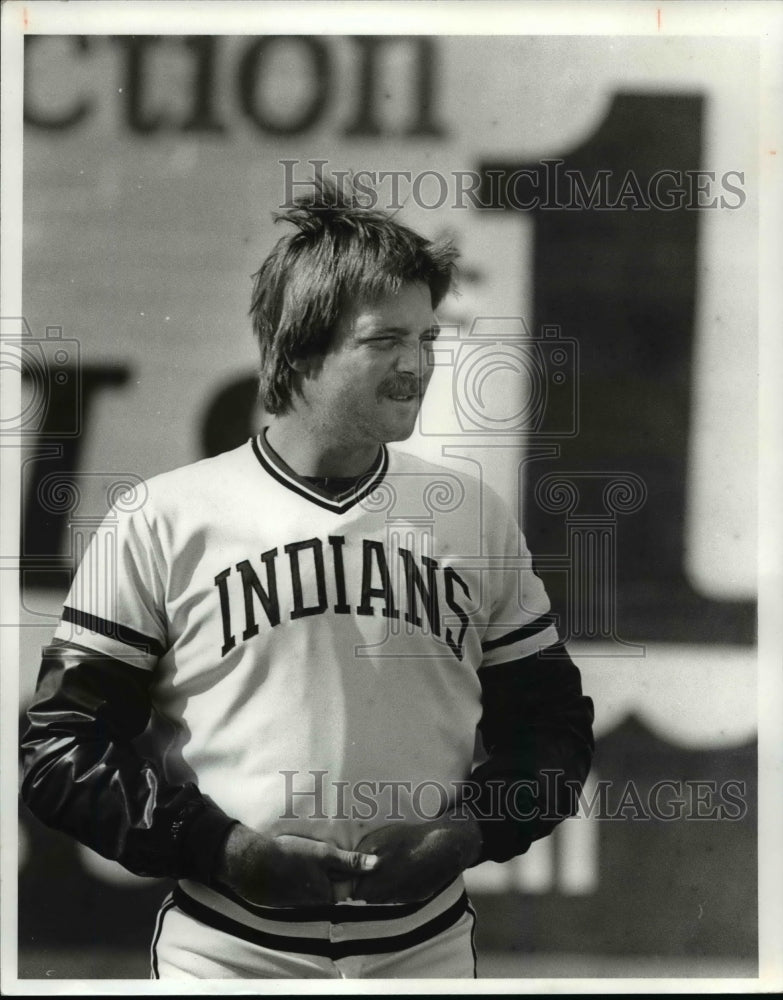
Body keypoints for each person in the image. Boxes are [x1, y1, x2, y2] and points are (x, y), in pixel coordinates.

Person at [20, 179, 594, 980]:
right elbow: (60, 749)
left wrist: (467, 834)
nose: (417, 365)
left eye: (427, 338)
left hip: (421, 952)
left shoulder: (470, 515)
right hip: (227, 953)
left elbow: (551, 730)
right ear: (297, 349)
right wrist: (220, 848)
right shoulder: (162, 517)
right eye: (384, 340)